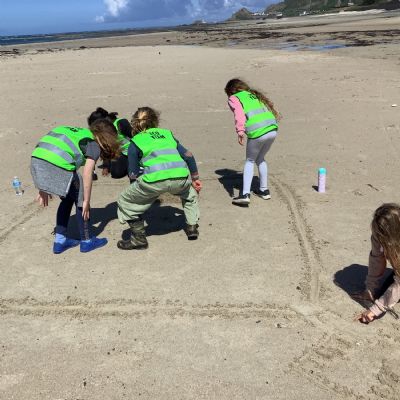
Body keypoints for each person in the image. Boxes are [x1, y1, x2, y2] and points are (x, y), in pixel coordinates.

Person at [117, 107, 202, 250]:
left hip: (153, 181)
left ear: (135, 123)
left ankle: (138, 238)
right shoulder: (167, 134)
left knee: (124, 200)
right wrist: (195, 179)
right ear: (155, 120)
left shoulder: (135, 141)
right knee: (190, 195)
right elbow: (188, 155)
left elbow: (132, 173)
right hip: (179, 178)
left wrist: (136, 190)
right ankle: (192, 227)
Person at [30, 120, 120, 254]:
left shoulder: (78, 133)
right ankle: (87, 241)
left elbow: (45, 151)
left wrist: (42, 185)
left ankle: (60, 241)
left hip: (36, 162)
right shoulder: (93, 144)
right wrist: (86, 200)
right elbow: (87, 173)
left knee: (67, 199)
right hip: (59, 165)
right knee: (80, 201)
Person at [225, 78, 281, 206]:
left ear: (230, 91)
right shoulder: (253, 94)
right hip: (272, 128)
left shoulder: (234, 98)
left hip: (257, 131)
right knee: (260, 158)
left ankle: (245, 195)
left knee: (250, 160)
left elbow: (239, 114)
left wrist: (240, 131)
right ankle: (264, 190)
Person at [354, 203, 400, 323]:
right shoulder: (378, 232)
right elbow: (376, 259)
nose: (378, 238)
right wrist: (370, 289)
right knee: (381, 295)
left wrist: (375, 310)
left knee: (389, 296)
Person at [87, 107, 132, 179]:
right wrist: (106, 167)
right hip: (119, 152)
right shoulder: (103, 131)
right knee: (116, 174)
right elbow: (106, 148)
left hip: (131, 151)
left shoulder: (121, 123)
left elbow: (136, 137)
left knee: (129, 172)